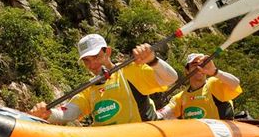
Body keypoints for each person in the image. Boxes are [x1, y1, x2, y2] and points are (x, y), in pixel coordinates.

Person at [29, 34, 178, 126]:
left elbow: (171, 79)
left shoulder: (129, 71)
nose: (92, 65)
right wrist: (48, 114)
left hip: (139, 134)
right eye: (87, 60)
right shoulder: (89, 87)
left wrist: (152, 60)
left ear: (108, 52)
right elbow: (69, 113)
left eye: (96, 57)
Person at [156, 53, 242, 120]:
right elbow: (163, 113)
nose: (199, 67)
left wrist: (215, 72)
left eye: (202, 64)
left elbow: (235, 83)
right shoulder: (180, 97)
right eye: (194, 64)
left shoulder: (213, 84)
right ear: (187, 71)